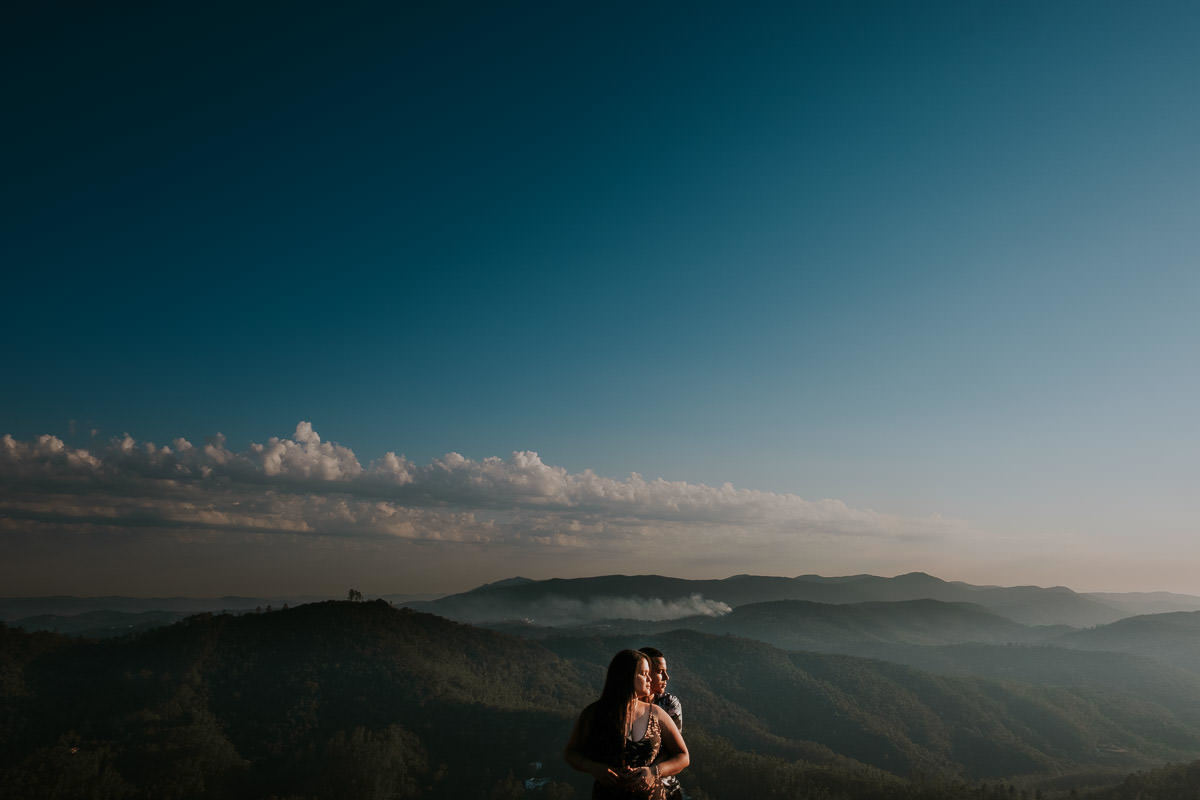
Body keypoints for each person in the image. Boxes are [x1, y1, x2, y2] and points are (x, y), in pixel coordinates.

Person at [564, 649, 689, 799]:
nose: (649, 679)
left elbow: (683, 756)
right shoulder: (594, 714)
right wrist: (594, 768)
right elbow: (571, 753)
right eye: (644, 674)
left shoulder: (656, 713)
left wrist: (655, 771)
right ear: (627, 677)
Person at [640, 647, 683, 800]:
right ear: (644, 673)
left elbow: (675, 752)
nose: (667, 677)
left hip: (665, 787)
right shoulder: (622, 707)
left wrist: (650, 773)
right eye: (660, 672)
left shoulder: (668, 704)